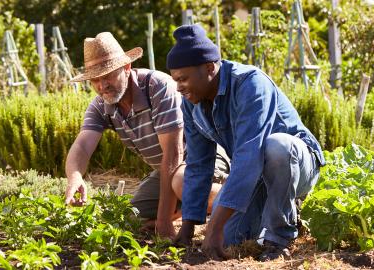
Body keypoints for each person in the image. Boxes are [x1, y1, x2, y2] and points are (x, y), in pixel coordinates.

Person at [166, 24, 325, 261]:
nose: (178, 87)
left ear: (209, 68)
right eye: (175, 80)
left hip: (297, 164)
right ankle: (271, 213)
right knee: (230, 238)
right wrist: (188, 228)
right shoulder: (192, 103)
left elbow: (249, 155)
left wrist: (214, 226)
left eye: (183, 79)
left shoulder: (250, 84)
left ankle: (279, 237)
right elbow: (199, 164)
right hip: (256, 174)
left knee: (276, 146)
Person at [64, 32, 230, 239]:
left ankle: (243, 210)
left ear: (126, 68)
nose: (101, 85)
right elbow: (82, 146)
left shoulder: (157, 87)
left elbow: (174, 153)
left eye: (107, 75)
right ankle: (185, 211)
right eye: (95, 80)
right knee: (131, 217)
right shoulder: (101, 105)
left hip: (203, 160)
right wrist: (75, 177)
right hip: (166, 170)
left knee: (181, 182)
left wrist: (163, 220)